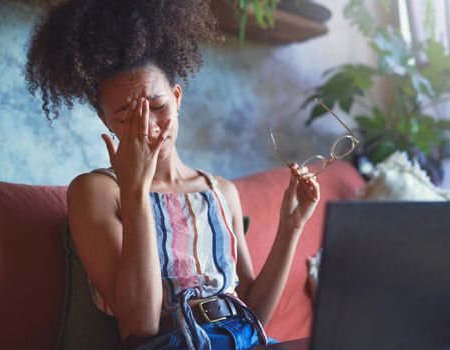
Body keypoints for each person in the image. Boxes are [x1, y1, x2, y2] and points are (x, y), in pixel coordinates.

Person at [25, 1, 321, 349]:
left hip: (245, 337)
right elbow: (141, 322)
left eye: (158, 106)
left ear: (178, 98)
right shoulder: (98, 191)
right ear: (106, 122)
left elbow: (255, 313)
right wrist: (135, 191)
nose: (149, 127)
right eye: (126, 116)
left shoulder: (220, 191)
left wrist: (291, 227)